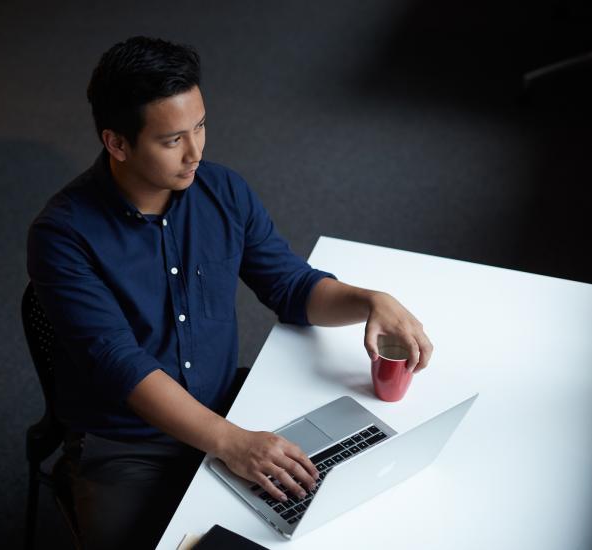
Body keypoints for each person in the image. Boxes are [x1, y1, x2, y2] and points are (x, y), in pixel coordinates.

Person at [27, 36, 433, 550]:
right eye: (173, 139)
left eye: (200, 126)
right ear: (118, 143)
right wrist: (231, 442)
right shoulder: (62, 236)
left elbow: (291, 287)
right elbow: (121, 366)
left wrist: (371, 301)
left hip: (227, 409)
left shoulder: (224, 192)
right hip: (127, 446)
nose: (197, 152)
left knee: (331, 518)